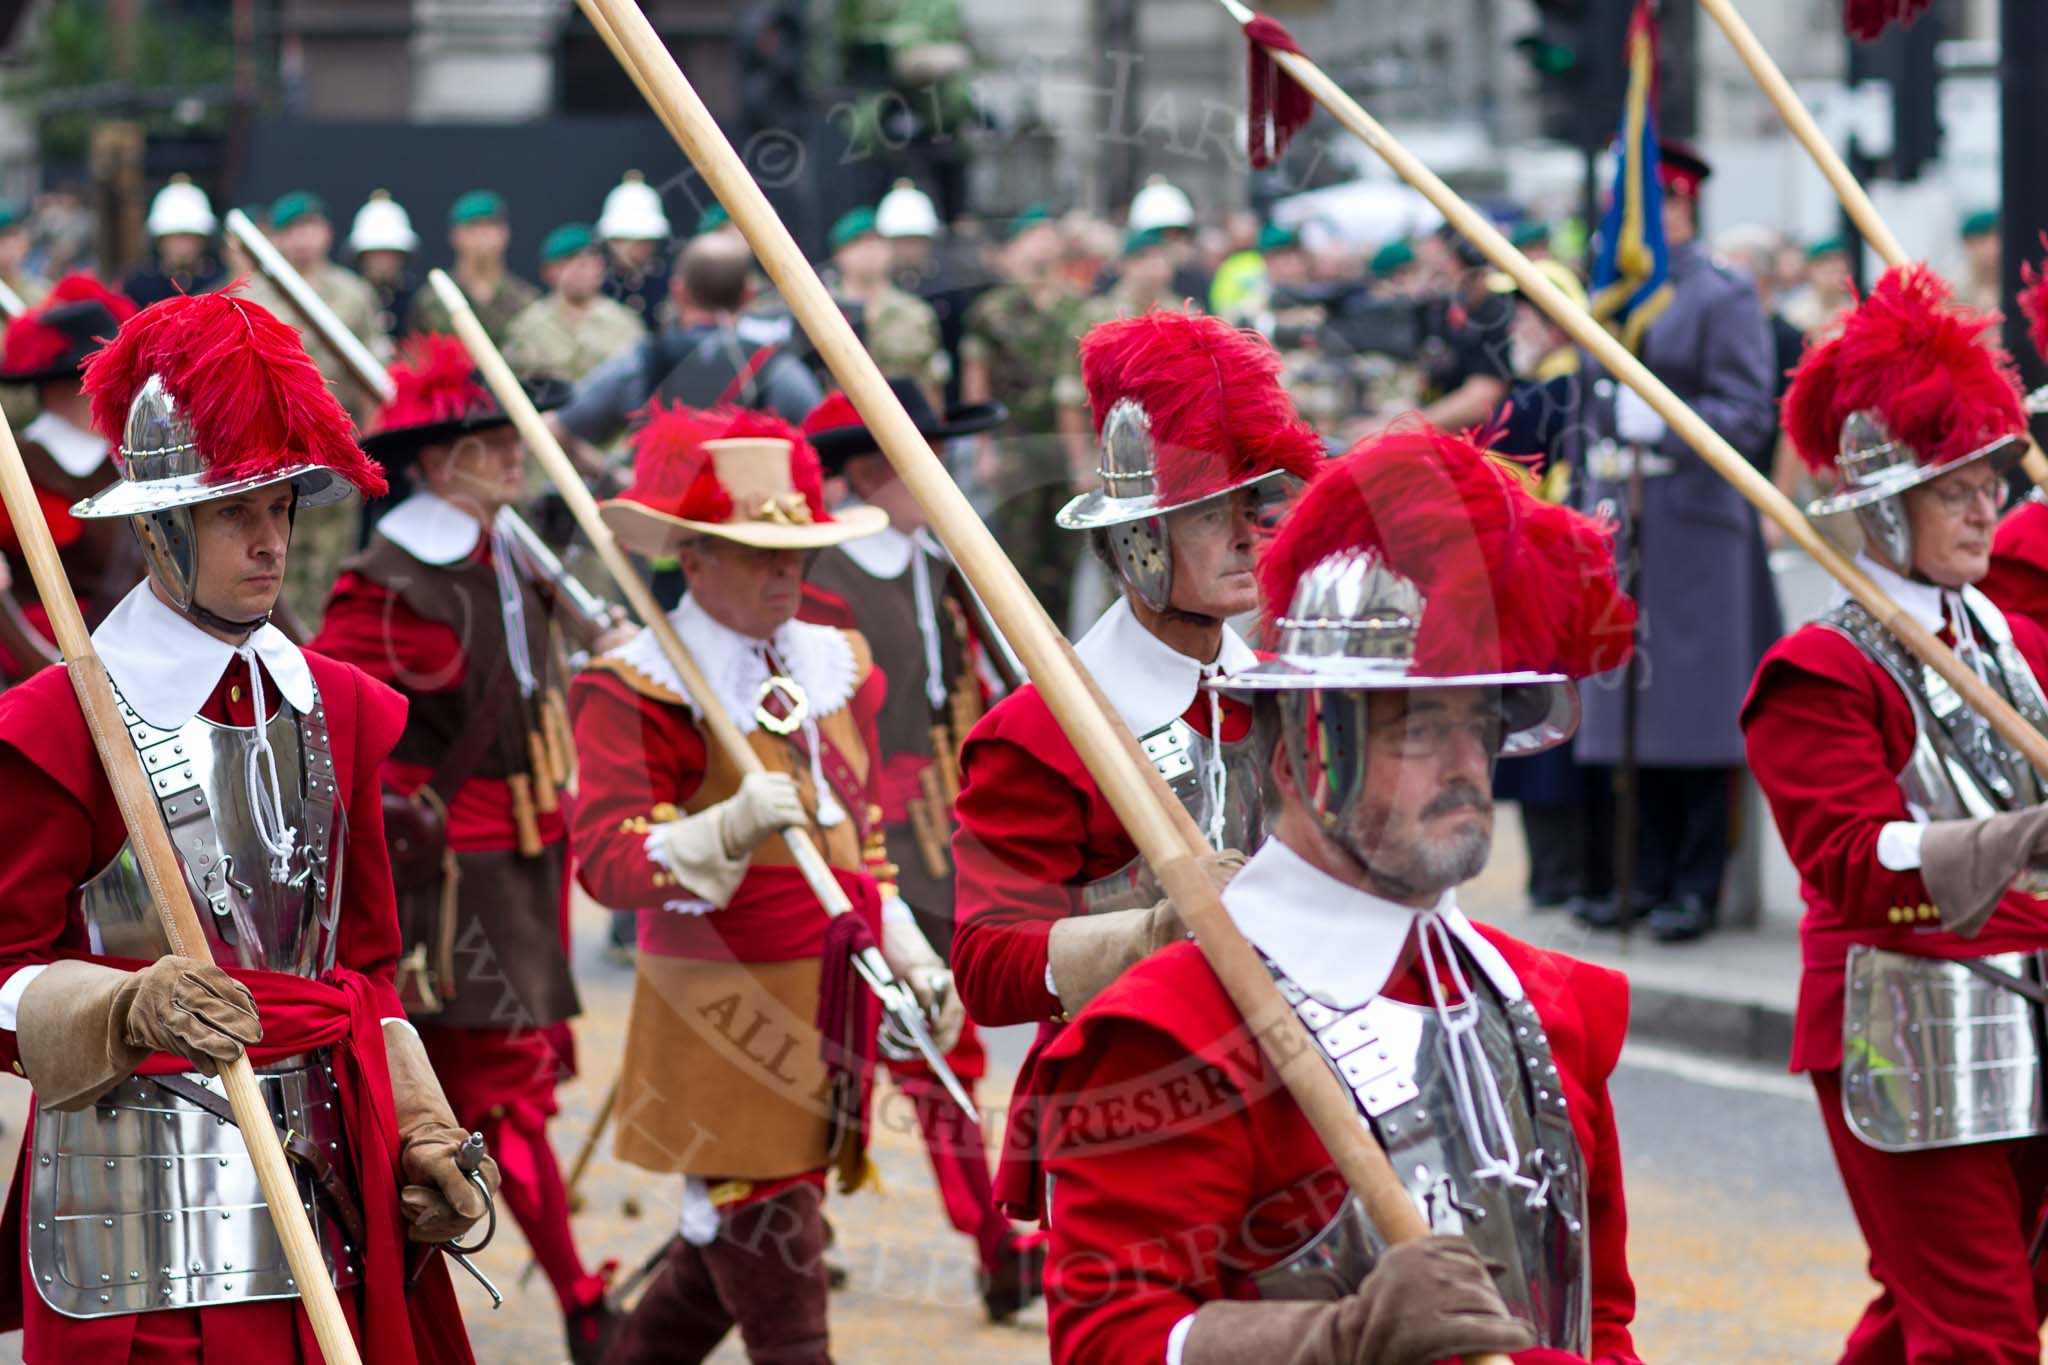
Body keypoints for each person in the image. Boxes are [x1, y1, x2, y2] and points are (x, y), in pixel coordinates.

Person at [1018, 423, 1642, 1364]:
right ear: (1304, 747)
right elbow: (1112, 1341)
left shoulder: (1549, 1006)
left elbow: (1600, 1320)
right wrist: (1337, 1339)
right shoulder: (1173, 1029)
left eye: (1478, 723)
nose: (1466, 765)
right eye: (1415, 728)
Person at [0, 287, 487, 1362]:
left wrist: (417, 1126)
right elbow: (2, 973)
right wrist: (122, 1006)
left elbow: (364, 968)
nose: (270, 544)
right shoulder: (56, 722)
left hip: (332, 1179)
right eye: (237, 513)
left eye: (283, 510)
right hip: (140, 1201)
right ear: (163, 528)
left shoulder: (342, 707)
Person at [568, 405, 957, 1364]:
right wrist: (723, 828)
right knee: (787, 1305)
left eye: (798, 554)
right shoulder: (638, 684)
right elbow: (608, 862)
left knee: (711, 1278)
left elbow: (857, 831)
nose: (788, 574)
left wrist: (901, 936)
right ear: (694, 558)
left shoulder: (831, 663)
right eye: (758, 555)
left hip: (824, 1006)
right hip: (717, 1020)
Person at [1743, 264, 2048, 1362]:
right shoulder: (1817, 667)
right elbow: (1848, 860)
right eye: (1955, 488)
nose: (1987, 509)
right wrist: (2022, 839)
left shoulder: (2002, 635)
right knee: (1981, 1338)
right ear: (1882, 503)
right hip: (1906, 1021)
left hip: (2027, 1009)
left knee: (1941, 1314)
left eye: (1991, 482)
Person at [308, 336, 633, 1364]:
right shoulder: (385, 578)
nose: (515, 459)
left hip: (526, 857)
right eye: (492, 445)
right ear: (439, 462)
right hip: (452, 883)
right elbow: (349, 753)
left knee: (493, 1097)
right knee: (500, 1098)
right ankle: (578, 1296)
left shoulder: (505, 551)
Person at [951, 310, 1320, 1036]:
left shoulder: (1289, 696)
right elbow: (987, 965)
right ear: (1138, 538)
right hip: (1118, 1088)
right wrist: (1148, 934)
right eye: (1212, 516)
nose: (1249, 536)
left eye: (1252, 506)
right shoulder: (1041, 730)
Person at [796, 381, 1046, 1320]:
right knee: (831, 1053)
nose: (941, 473)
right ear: (867, 472)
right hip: (854, 833)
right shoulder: (820, 583)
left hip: (945, 836)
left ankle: (991, 1239)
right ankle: (786, 1222)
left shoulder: (937, 559)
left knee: (940, 1034)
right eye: (917, 455)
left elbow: (982, 686)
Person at [1572, 139, 1778, 942]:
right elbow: (1587, 394)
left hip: (1693, 528)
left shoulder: (1720, 295)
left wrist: (1669, 425)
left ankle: (1697, 883)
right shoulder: (1614, 293)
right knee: (1630, 712)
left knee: (1697, 716)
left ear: (1680, 207)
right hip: (1623, 527)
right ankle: (1642, 876)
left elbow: (1747, 410)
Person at [551, 230, 823, 452]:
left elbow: (555, 427)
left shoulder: (640, 362)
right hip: (754, 516)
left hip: (661, 518)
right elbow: (823, 439)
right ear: (747, 295)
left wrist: (608, 475)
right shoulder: (777, 369)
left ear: (679, 292)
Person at [0, 275, 142, 660]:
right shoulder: (18, 467)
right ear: (63, 388)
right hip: (55, 663)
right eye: (105, 377)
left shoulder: (128, 457)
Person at [959, 206, 1089, 620]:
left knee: (1065, 555)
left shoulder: (1076, 306)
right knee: (1019, 553)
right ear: (1015, 246)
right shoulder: (993, 309)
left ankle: (1062, 647)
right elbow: (976, 378)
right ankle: (1021, 649)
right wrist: (983, 448)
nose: (1042, 241)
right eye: (1032, 233)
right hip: (1015, 441)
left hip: (1065, 444)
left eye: (1048, 232)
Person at [825, 207, 948, 401]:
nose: (869, 251)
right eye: (857, 242)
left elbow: (931, 384)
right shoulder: (821, 313)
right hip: (839, 424)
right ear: (838, 254)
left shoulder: (916, 313)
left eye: (876, 241)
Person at [502, 222, 648, 384]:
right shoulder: (527, 328)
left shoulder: (625, 324)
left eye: (590, 260)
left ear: (601, 267)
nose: (582, 269)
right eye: (570, 260)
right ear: (548, 271)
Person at [406, 190, 539, 345]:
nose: (482, 235)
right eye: (472, 227)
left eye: (490, 226)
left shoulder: (526, 301)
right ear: (454, 236)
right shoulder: (432, 301)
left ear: (505, 233)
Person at [120, 175, 225, 308]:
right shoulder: (138, 284)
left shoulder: (221, 279)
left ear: (202, 240)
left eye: (188, 237)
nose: (182, 246)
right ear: (160, 241)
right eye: (175, 237)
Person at [597, 170, 675, 334]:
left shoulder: (671, 283)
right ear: (610, 241)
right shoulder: (598, 286)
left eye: (644, 240)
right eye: (623, 239)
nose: (635, 248)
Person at [348, 189, 422, 348]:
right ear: (362, 257)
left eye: (389, 254)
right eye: (375, 254)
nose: (382, 262)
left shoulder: (418, 301)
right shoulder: (347, 297)